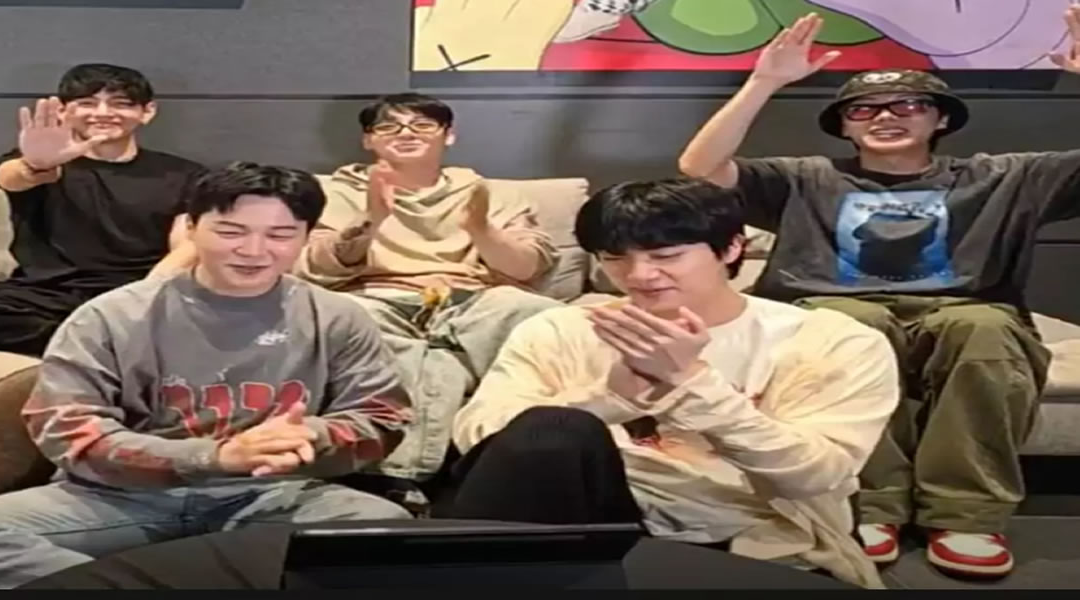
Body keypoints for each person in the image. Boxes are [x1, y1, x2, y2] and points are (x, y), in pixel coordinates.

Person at [675, 9, 1080, 578]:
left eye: (908, 105)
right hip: (836, 308)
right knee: (851, 326)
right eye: (863, 110)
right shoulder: (806, 176)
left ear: (940, 118)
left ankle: (966, 514)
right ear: (845, 127)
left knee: (985, 331)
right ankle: (866, 502)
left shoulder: (1002, 176)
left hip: (963, 309)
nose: (885, 116)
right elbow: (699, 168)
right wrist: (764, 81)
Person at [0, 162, 414, 589]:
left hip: (272, 495)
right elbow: (67, 430)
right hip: (121, 499)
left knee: (390, 533)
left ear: (305, 237)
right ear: (190, 229)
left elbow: (382, 417)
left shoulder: (336, 317)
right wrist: (212, 456)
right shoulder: (111, 315)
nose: (254, 250)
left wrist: (312, 436)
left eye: (280, 235)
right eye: (231, 231)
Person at [444, 178, 898, 588]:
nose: (639, 275)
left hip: (746, 531)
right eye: (615, 258)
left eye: (666, 256)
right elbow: (481, 436)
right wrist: (610, 398)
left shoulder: (831, 340)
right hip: (591, 518)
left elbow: (816, 475)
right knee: (555, 429)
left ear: (732, 249)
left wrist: (691, 383)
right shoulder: (561, 329)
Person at [294, 93, 560, 497]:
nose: (406, 133)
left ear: (448, 135)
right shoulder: (332, 192)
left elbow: (529, 268)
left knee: (540, 315)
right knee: (348, 319)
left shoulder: (487, 193)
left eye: (422, 125)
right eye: (389, 126)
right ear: (368, 139)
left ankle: (517, 466)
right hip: (374, 295)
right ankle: (396, 480)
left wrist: (481, 230)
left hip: (472, 299)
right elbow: (311, 267)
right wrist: (370, 221)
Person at [0, 63, 203, 357]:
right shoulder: (41, 162)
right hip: (40, 297)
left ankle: (93, 338)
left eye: (121, 104)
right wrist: (36, 165)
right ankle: (92, 341)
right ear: (62, 111)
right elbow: (11, 178)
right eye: (87, 103)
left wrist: (140, 298)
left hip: (130, 295)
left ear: (147, 111)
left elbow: (187, 246)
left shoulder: (184, 175)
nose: (103, 113)